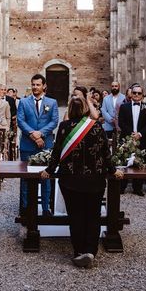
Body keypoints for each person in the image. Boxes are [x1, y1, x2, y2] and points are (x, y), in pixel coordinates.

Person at [40, 96, 123, 268]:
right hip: (95, 179)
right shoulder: (97, 126)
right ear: (86, 108)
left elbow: (56, 152)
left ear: (70, 110)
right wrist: (114, 171)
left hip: (71, 179)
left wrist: (49, 170)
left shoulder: (64, 127)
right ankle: (91, 251)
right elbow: (105, 153)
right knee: (93, 216)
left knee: (76, 216)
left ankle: (78, 251)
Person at [17, 74, 59, 216]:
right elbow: (20, 121)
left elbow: (54, 122)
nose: (35, 87)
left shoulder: (52, 102)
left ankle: (46, 207)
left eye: (38, 85)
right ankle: (25, 207)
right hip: (27, 144)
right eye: (33, 84)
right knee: (25, 177)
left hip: (45, 144)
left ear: (44, 86)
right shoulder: (23, 102)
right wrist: (32, 134)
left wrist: (40, 134)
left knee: (45, 176)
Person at [117, 84, 146, 196]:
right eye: (134, 93)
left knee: (140, 162)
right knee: (124, 161)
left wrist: (140, 134)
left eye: (139, 93)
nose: (136, 95)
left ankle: (137, 188)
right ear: (131, 94)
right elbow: (121, 122)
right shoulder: (124, 107)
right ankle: (122, 187)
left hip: (142, 139)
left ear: (142, 95)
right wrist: (131, 134)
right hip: (127, 137)